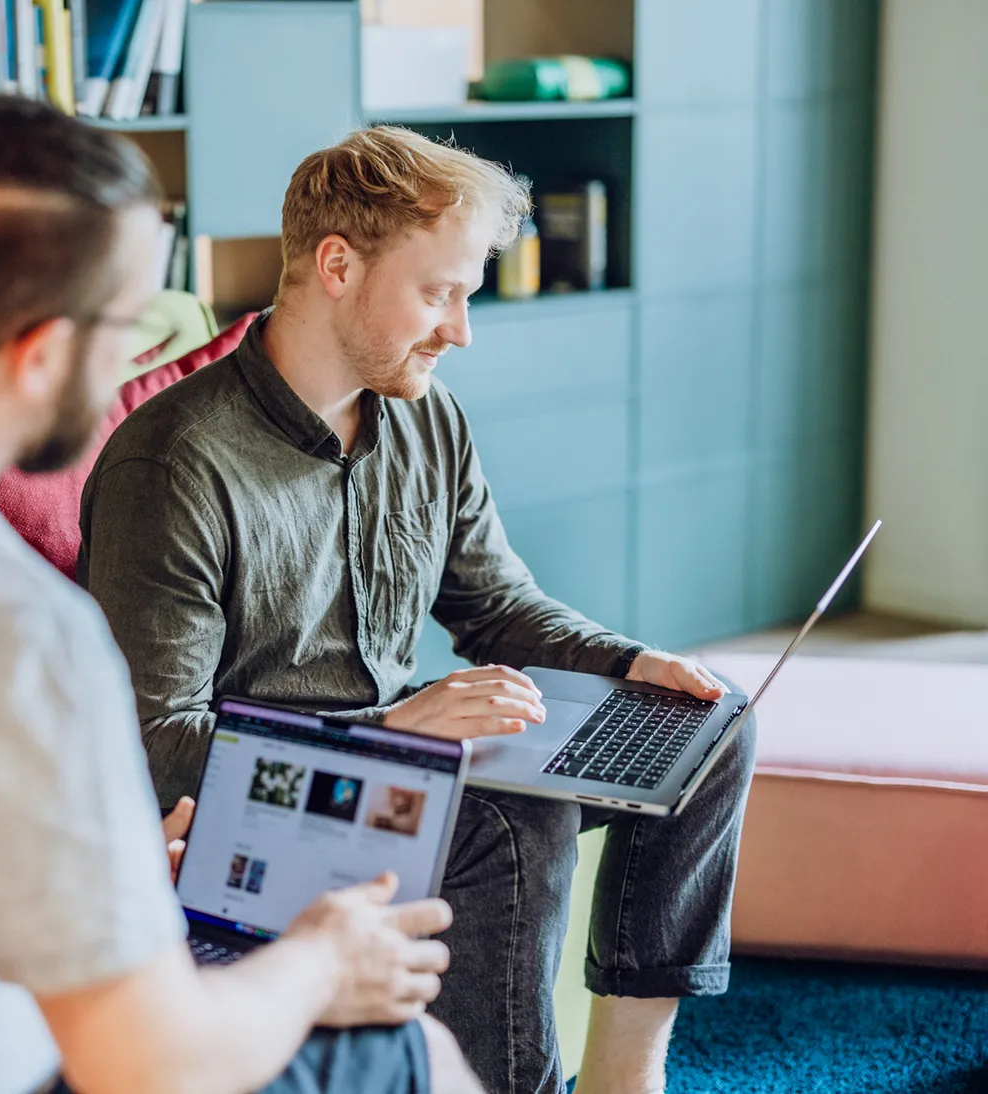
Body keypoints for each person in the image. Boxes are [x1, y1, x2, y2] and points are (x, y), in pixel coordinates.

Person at [0, 86, 483, 1094]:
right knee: (407, 1049)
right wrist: (324, 957)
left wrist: (91, 871)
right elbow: (150, 1062)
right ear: (40, 355)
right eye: (125, 325)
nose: (139, 358)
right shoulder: (14, 633)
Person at [78, 127, 758, 1094]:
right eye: (438, 293)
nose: (460, 329)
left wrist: (629, 664)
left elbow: (493, 602)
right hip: (256, 811)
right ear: (337, 265)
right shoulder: (175, 466)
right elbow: (153, 741)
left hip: (401, 763)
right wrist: (390, 731)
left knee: (711, 721)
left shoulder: (425, 414)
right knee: (509, 823)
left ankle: (623, 1078)